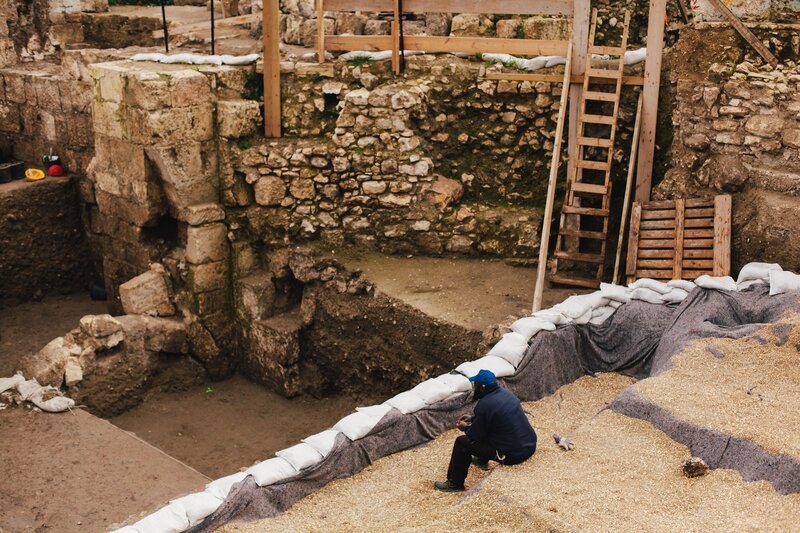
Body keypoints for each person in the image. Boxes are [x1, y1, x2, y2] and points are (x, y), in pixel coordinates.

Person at [434, 369, 537, 492]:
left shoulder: (484, 405)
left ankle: (455, 483)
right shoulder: (506, 393)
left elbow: (475, 436)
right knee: (492, 429)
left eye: (475, 385)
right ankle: (482, 461)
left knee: (462, 442)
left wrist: (464, 427)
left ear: (482, 387)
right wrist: (473, 418)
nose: (474, 388)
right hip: (529, 446)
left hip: (513, 456)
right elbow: (495, 418)